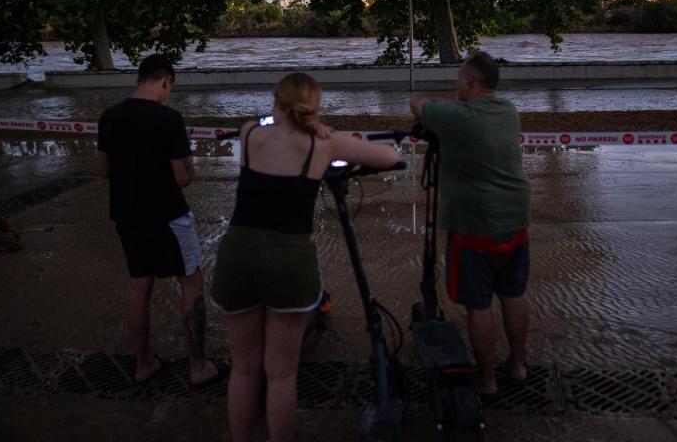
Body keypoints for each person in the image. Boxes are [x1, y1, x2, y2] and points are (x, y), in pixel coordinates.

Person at [212, 73, 400, 442]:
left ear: (276, 100)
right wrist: (321, 129)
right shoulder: (321, 144)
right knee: (281, 373)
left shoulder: (250, 133)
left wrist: (286, 119)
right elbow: (390, 157)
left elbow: (264, 121)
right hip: (288, 258)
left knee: (245, 368)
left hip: (237, 253)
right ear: (314, 105)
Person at [410, 50, 532, 397]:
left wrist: (426, 106)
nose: (456, 85)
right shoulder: (509, 112)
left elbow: (416, 104)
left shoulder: (456, 116)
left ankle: (488, 381)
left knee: (479, 305)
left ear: (469, 81)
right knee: (514, 294)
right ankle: (519, 367)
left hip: (474, 225)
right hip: (515, 219)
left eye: (458, 80)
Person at [96, 54, 222, 387]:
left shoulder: (109, 117)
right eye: (170, 87)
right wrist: (189, 161)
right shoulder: (168, 119)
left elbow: (103, 170)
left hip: (126, 214)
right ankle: (198, 367)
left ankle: (143, 364)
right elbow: (183, 178)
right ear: (166, 80)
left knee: (139, 285)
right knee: (191, 282)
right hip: (167, 215)